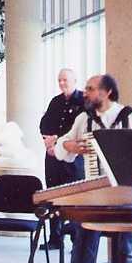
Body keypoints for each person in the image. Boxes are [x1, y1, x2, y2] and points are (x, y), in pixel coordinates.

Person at [54, 74, 132, 263]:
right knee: (83, 234)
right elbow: (61, 145)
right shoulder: (84, 121)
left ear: (107, 92)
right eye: (86, 88)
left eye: (90, 89)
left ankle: (126, 254)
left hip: (128, 196)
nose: (85, 93)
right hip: (97, 193)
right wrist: (70, 147)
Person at [39, 68, 85, 250]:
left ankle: (76, 239)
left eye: (65, 80)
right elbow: (44, 124)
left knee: (73, 197)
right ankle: (55, 239)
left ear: (74, 80)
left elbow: (77, 129)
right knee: (53, 196)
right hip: (52, 156)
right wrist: (48, 142)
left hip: (73, 159)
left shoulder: (83, 101)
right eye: (59, 80)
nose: (62, 83)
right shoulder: (55, 101)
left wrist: (57, 140)